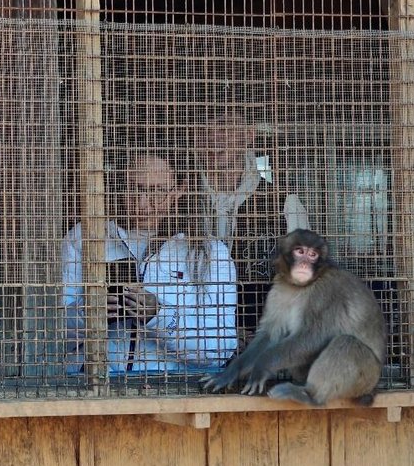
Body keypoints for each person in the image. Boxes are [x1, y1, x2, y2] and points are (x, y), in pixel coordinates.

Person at [62, 152, 238, 373]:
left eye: (157, 191)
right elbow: (46, 335)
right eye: (134, 188)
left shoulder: (208, 252)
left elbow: (220, 350)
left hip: (174, 389)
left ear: (179, 190)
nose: (143, 203)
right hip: (95, 385)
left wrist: (159, 317)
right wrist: (87, 314)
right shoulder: (85, 237)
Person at [191, 108, 309, 340]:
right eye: (204, 125)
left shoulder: (284, 204)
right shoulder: (179, 200)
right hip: (187, 346)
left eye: (225, 124)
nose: (214, 134)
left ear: (248, 135)